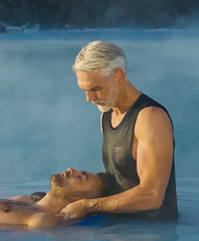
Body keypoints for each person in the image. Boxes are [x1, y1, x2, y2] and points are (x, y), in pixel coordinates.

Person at [57, 40, 177, 221]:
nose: (89, 99)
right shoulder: (107, 114)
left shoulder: (150, 118)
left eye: (95, 89)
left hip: (150, 235)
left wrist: (88, 205)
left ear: (118, 77)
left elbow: (152, 195)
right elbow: (119, 176)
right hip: (118, 227)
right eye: (84, 90)